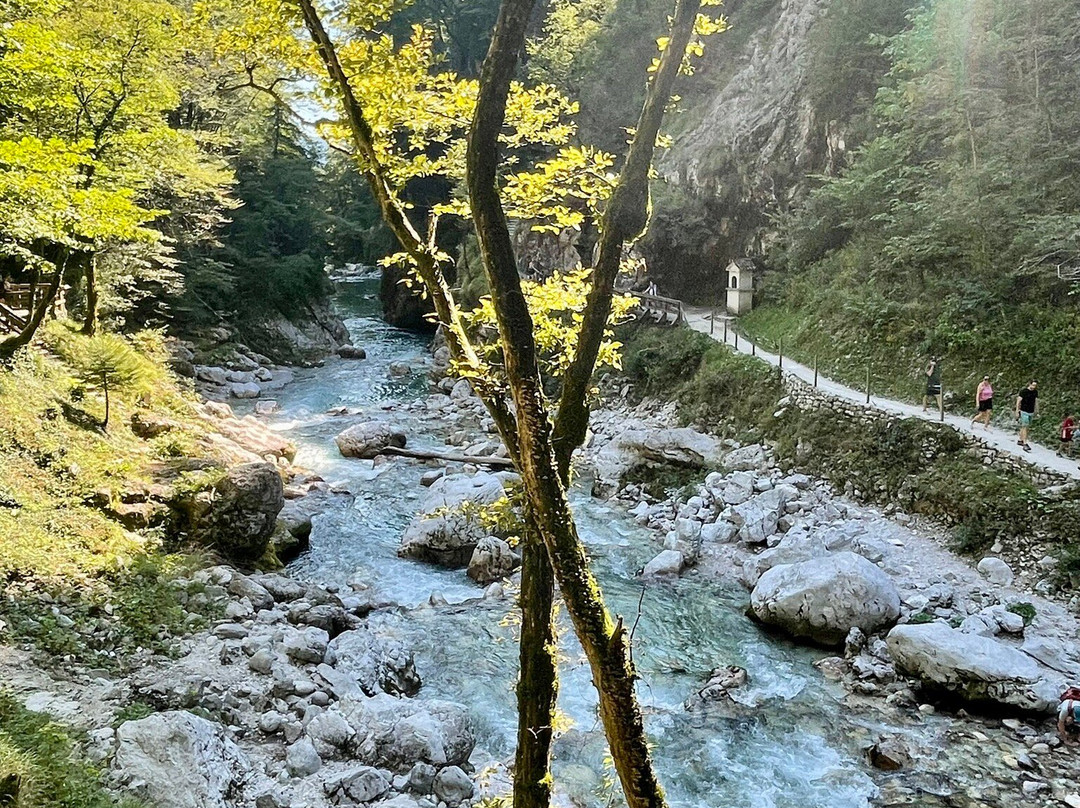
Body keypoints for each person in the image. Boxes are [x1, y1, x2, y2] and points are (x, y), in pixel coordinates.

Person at [1015, 380, 1039, 452]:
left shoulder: (1035, 392)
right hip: (1023, 411)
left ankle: (1020, 440)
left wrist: (1037, 411)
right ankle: (1025, 443)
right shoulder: (1024, 391)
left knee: (1026, 427)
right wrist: (1017, 411)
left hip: (1031, 411)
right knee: (1025, 426)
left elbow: (1036, 401)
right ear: (1030, 384)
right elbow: (1018, 401)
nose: (1034, 387)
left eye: (1035, 386)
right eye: (1033, 385)